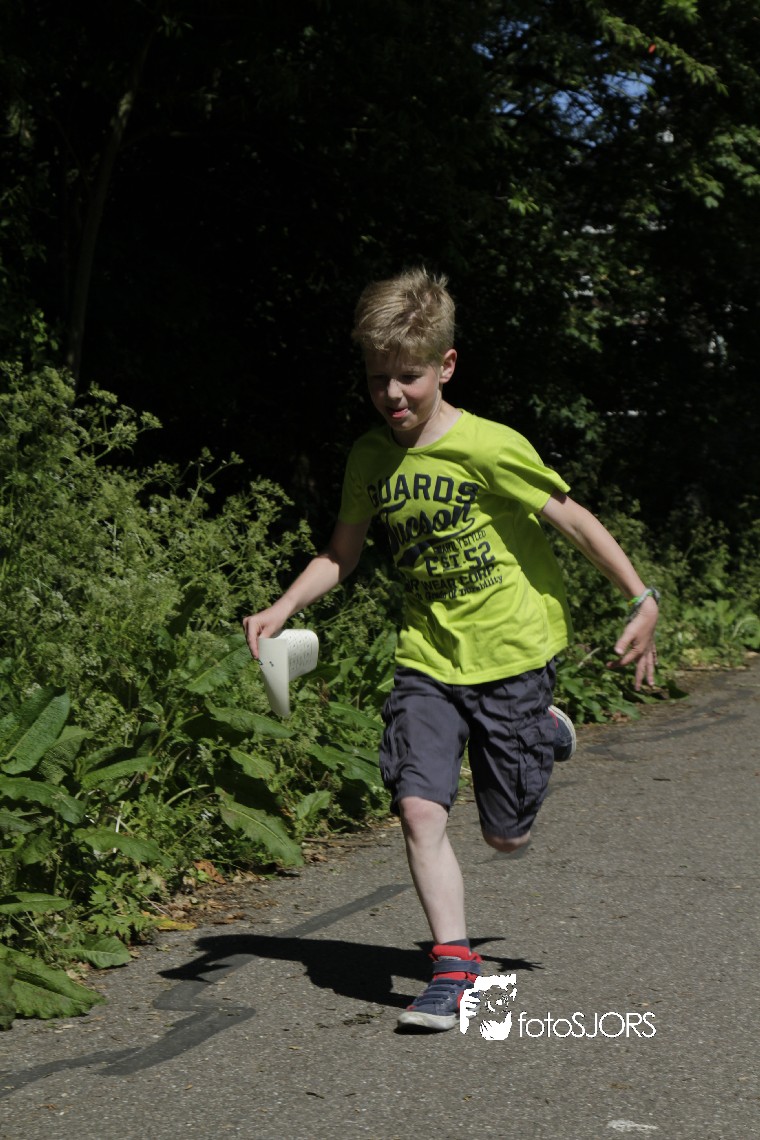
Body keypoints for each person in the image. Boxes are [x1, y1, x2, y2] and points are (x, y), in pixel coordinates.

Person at [243, 268, 659, 1032]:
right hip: (427, 661)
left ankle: (542, 731)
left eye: (407, 376)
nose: (391, 393)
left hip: (513, 655)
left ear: (446, 366)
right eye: (378, 378)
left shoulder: (489, 447)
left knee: (506, 836)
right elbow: (341, 553)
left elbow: (573, 519)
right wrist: (282, 606)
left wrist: (642, 597)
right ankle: (454, 967)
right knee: (417, 807)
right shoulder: (371, 458)